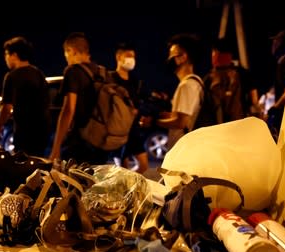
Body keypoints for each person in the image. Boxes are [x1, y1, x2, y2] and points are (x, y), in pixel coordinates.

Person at [49, 32, 110, 165]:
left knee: (72, 182)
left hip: (79, 143)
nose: (66, 58)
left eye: (66, 53)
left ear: (72, 51)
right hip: (100, 142)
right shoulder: (102, 72)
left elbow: (68, 110)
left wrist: (56, 147)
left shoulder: (72, 71)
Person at [0, 36, 51, 157]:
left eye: (6, 54)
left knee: (23, 168)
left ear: (14, 55)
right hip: (41, 132)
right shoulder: (38, 73)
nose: (5, 58)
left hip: (23, 133)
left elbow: (7, 107)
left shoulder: (11, 77)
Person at [156, 33, 204, 150]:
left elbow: (181, 122)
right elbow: (185, 116)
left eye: (172, 55)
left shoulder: (187, 85)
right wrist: (165, 115)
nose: (169, 59)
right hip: (188, 147)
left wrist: (153, 122)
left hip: (182, 150)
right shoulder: (197, 82)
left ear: (183, 57)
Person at [110, 42, 149, 174]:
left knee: (143, 165)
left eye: (133, 56)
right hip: (118, 130)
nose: (131, 59)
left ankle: (130, 184)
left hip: (133, 130)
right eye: (128, 56)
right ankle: (125, 190)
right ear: (119, 57)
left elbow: (142, 101)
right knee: (122, 168)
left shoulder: (135, 81)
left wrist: (141, 112)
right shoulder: (111, 79)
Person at [202, 38, 260, 122]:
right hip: (241, 124)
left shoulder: (209, 77)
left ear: (215, 53)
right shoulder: (243, 73)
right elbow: (254, 101)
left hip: (216, 127)